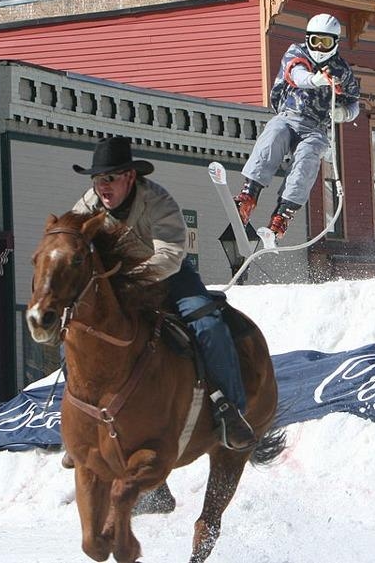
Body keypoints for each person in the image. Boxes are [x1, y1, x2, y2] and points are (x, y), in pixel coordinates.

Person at [72, 136, 256, 451]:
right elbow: (72, 244)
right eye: (98, 178)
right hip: (118, 282)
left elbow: (171, 254)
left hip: (169, 277)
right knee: (77, 335)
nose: (102, 186)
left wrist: (130, 278)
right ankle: (81, 423)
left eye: (110, 178)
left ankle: (231, 410)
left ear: (130, 177)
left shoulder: (158, 201)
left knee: (209, 325)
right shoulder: (88, 205)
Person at [236, 13, 360, 240]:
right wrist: (316, 80)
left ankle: (283, 213)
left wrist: (344, 112)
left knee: (307, 158)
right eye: (316, 41)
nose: (320, 48)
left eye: (326, 42)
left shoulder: (342, 71)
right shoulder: (297, 52)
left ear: (335, 43)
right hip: (289, 115)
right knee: (273, 136)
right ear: (308, 39)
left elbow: (354, 103)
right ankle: (249, 194)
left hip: (316, 127)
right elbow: (296, 74)